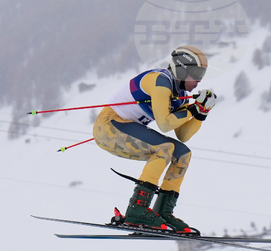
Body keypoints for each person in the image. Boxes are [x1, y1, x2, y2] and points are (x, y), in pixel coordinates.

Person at [92, 46, 217, 235]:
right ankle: (137, 209)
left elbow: (183, 135)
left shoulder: (180, 95)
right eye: (197, 73)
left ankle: (163, 212)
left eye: (203, 73)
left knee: (182, 154)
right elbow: (165, 124)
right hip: (108, 127)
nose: (200, 79)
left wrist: (201, 112)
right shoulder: (161, 81)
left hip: (125, 129)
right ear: (182, 70)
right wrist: (192, 110)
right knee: (164, 148)